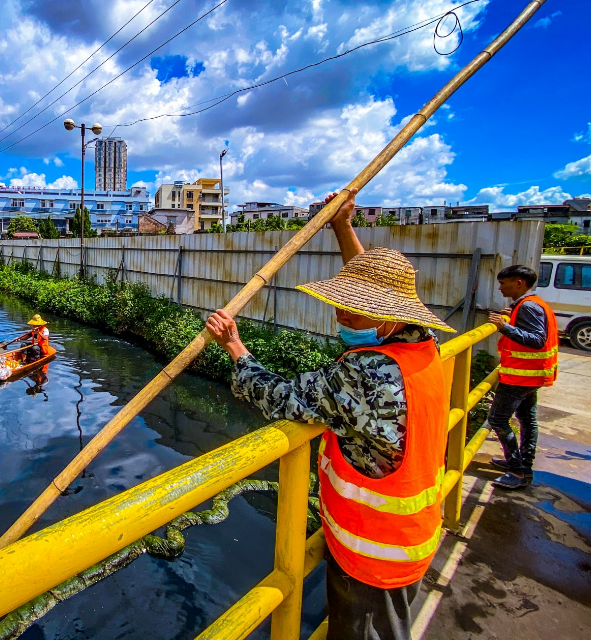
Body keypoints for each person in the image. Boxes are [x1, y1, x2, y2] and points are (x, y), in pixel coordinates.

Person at [206, 189, 455, 640]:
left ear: (387, 321)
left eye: (353, 314)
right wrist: (343, 226)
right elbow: (372, 293)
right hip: (411, 536)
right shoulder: (424, 347)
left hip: (374, 554)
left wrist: (235, 348)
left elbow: (285, 397)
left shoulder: (369, 375)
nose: (341, 318)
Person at [486, 265, 558, 490]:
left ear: (519, 283)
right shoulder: (529, 305)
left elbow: (537, 340)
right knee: (527, 419)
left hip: (520, 376)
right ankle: (521, 465)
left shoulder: (529, 307)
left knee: (498, 419)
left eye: (503, 283)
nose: (500, 287)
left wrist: (503, 328)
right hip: (530, 374)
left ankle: (517, 470)